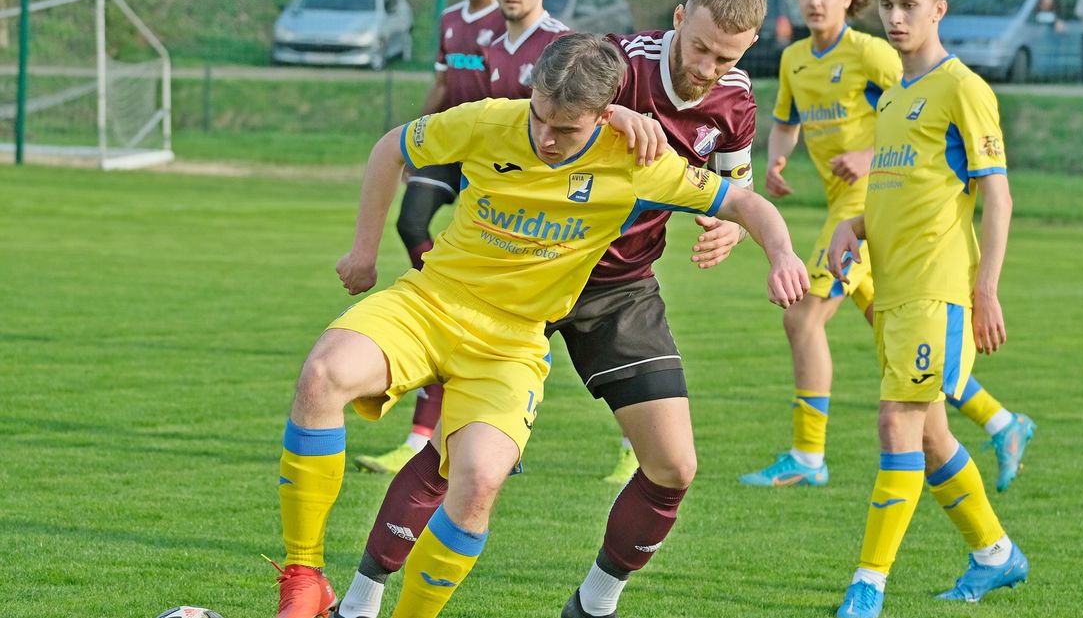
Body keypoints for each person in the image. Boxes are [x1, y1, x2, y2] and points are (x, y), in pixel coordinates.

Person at [273, 32, 809, 618]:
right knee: (323, 375)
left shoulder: (635, 162)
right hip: (430, 302)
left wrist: (781, 252)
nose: (547, 139)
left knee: (476, 481)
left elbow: (745, 203)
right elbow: (391, 149)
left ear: (606, 117)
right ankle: (305, 575)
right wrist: (363, 253)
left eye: (567, 130)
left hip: (512, 342)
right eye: (541, 118)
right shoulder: (488, 120)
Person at [740, 0, 1035, 491]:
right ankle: (1000, 423)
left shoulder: (876, 53)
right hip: (857, 218)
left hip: (871, 210)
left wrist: (870, 157)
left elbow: (919, 125)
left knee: (803, 319)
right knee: (906, 349)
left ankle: (808, 455)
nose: (814, 2)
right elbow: (788, 119)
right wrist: (777, 157)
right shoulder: (794, 60)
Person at [830, 0, 1028, 616]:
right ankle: (997, 555)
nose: (895, 17)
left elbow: (995, 194)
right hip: (893, 290)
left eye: (908, 5)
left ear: (939, 9)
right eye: (887, 5)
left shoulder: (963, 88)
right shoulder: (894, 97)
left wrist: (987, 289)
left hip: (938, 290)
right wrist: (848, 226)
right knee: (934, 435)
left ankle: (868, 584)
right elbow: (899, 193)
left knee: (897, 422)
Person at [354, 0, 505, 476]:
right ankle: (438, 282)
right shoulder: (450, 20)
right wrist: (410, 146)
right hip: (451, 142)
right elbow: (442, 86)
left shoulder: (511, 21)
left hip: (494, 153)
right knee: (410, 219)